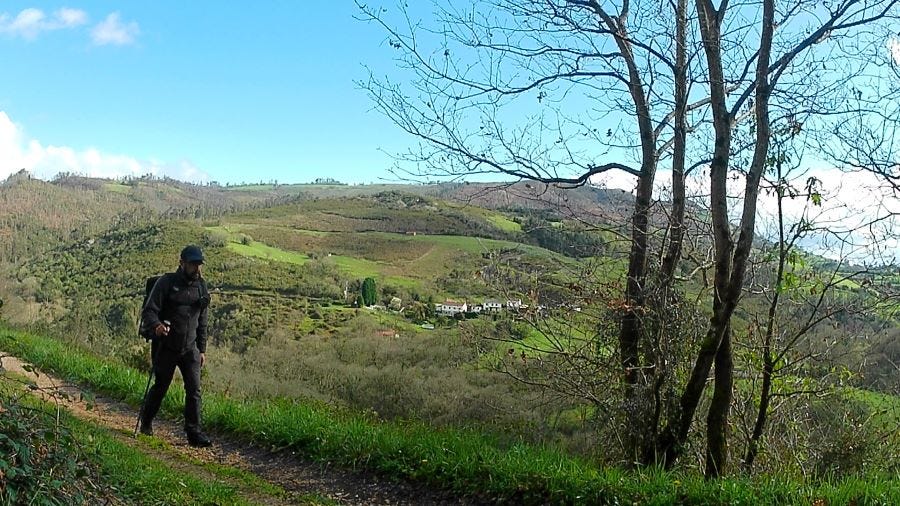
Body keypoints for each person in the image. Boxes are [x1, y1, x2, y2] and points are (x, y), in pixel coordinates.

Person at [139, 245, 212, 447]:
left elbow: (203, 320)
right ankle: (146, 421)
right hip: (166, 346)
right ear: (182, 263)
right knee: (161, 386)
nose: (196, 268)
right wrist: (157, 326)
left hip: (190, 349)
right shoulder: (166, 282)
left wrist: (202, 349)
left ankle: (194, 434)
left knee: (194, 390)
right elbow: (149, 311)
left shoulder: (201, 287)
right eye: (192, 264)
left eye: (198, 264)